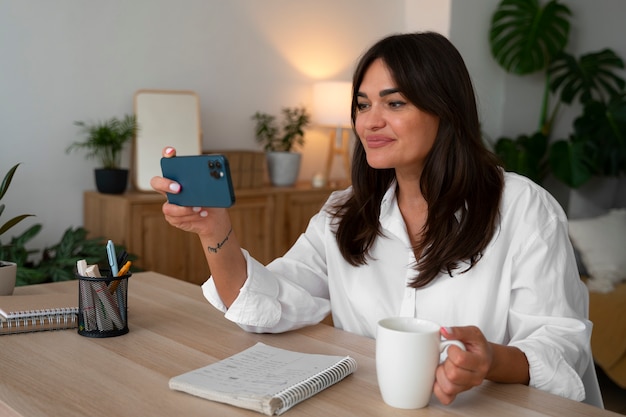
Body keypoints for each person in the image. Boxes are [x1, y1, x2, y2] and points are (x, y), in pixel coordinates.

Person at [151, 32, 600, 406]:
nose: (370, 122)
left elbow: (561, 346)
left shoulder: (523, 208)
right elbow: (267, 304)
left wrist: (488, 362)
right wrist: (214, 230)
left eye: (395, 104)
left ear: (446, 110)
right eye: (363, 105)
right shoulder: (344, 213)